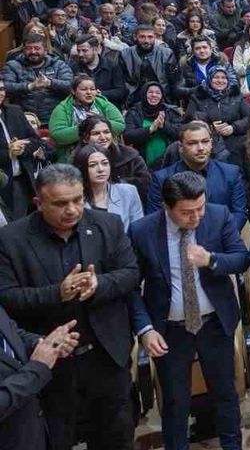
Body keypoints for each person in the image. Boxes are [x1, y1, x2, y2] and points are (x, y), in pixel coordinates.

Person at [0, 163, 140, 450]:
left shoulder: (107, 224)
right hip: (51, 365)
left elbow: (130, 273)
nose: (72, 210)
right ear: (38, 202)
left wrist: (99, 284)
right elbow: (7, 298)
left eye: (78, 200)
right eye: (61, 203)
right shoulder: (11, 239)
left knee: (116, 437)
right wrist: (57, 294)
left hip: (106, 357)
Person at [129, 171, 248, 450]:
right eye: (186, 212)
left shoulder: (218, 215)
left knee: (225, 394)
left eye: (200, 208)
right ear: (166, 206)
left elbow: (242, 259)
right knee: (175, 402)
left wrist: (212, 260)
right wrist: (145, 329)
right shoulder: (142, 231)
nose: (196, 217)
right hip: (169, 330)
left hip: (214, 323)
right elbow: (130, 287)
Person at [148, 121, 248, 229]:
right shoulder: (161, 178)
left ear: (211, 143)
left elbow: (239, 213)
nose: (200, 148)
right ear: (180, 147)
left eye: (205, 141)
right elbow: (155, 219)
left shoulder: (231, 173)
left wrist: (221, 235)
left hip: (222, 236)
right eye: (192, 143)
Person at [48, 76, 125, 161]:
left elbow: (120, 125)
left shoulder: (103, 104)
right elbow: (57, 134)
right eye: (84, 89)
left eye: (92, 89)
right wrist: (85, 126)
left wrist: (100, 121)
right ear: (73, 91)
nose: (89, 92)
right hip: (72, 156)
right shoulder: (62, 108)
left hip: (106, 152)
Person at [2, 33, 72, 125]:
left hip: (54, 118)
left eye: (37, 48)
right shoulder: (12, 65)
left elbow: (70, 86)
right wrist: (30, 86)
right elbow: (6, 87)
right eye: (29, 48)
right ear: (23, 50)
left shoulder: (59, 65)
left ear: (45, 51)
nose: (33, 52)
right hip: (24, 119)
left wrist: (50, 83)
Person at [0, 81, 47, 219]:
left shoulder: (15, 111)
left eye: (1, 89)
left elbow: (35, 140)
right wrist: (8, 153)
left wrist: (22, 147)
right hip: (2, 182)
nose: (0, 93)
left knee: (22, 224)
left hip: (21, 180)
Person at [73, 143, 143, 230]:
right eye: (93, 165)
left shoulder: (128, 192)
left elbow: (138, 231)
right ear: (82, 169)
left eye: (105, 163)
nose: (101, 169)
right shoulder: (74, 198)